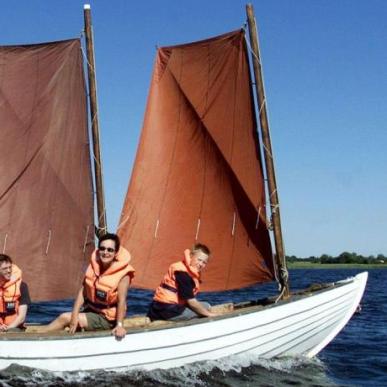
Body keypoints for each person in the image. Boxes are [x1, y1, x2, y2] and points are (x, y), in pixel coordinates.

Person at [40, 233, 134, 338]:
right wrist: (75, 315)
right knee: (70, 318)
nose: (105, 252)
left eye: (110, 250)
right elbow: (83, 291)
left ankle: (38, 338)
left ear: (115, 253)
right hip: (90, 311)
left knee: (64, 318)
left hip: (106, 319)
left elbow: (121, 301)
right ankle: (42, 335)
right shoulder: (94, 267)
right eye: (102, 248)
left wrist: (119, 325)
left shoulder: (123, 274)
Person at [147, 243, 218, 321]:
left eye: (204, 262)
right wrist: (209, 314)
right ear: (191, 256)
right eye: (199, 260)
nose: (201, 264)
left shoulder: (189, 271)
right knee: (201, 313)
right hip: (165, 309)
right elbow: (191, 301)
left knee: (206, 306)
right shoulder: (183, 273)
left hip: (171, 307)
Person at [0, 254, 31, 332]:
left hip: (14, 328)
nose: (9, 271)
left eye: (10, 267)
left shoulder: (21, 286)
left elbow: (22, 317)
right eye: (5, 269)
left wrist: (8, 328)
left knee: (13, 331)